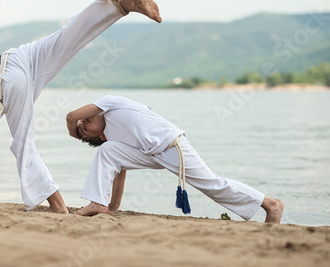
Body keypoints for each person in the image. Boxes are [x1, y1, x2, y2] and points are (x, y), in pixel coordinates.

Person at [0, 0, 162, 213]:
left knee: (23, 146)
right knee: (67, 38)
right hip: (13, 59)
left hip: (9, 83)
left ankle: (57, 204)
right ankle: (121, 6)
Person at [66, 95, 284, 223]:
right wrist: (113, 206)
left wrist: (73, 132)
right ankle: (98, 203)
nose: (84, 120)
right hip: (151, 153)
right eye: (85, 127)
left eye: (84, 121)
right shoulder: (111, 140)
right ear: (101, 136)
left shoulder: (109, 103)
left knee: (211, 184)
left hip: (171, 145)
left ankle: (270, 204)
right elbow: (117, 172)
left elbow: (71, 117)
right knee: (107, 152)